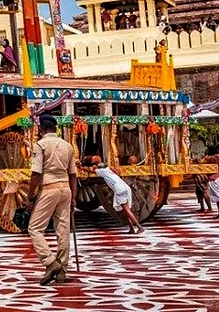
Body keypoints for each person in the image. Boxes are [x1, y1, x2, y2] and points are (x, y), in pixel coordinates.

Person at [26, 114, 77, 286]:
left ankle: (50, 262)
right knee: (63, 229)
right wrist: (74, 197)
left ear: (41, 130)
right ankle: (62, 269)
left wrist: (30, 196)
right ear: (55, 129)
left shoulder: (40, 145)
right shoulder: (67, 146)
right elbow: (73, 174)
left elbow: (36, 173)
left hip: (48, 188)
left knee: (34, 228)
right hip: (66, 188)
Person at [88, 156, 143, 233]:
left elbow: (89, 170)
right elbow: (117, 172)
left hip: (119, 189)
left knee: (126, 209)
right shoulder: (109, 169)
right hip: (126, 187)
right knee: (126, 210)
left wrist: (82, 167)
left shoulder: (102, 171)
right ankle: (131, 228)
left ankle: (139, 227)